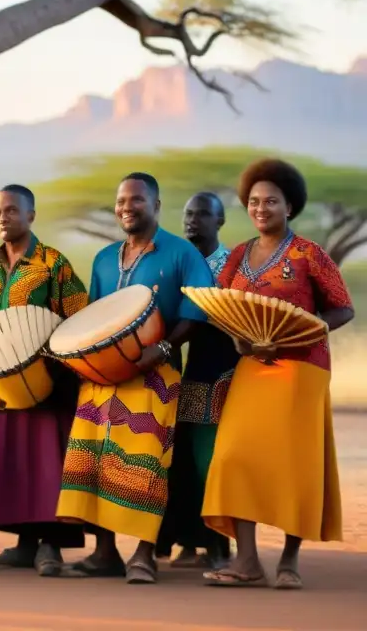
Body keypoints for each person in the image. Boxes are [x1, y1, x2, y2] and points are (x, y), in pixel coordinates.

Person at [203, 159, 354, 590]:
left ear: (290, 206)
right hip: (252, 366)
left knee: (294, 464)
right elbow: (224, 310)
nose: (261, 207)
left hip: (301, 368)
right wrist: (239, 339)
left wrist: (304, 331)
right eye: (253, 201)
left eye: (271, 200)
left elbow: (343, 307)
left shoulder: (310, 254)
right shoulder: (237, 255)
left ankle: (289, 561)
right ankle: (247, 560)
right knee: (235, 456)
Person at [56, 173, 215, 584]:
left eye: (137, 200)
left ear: (156, 206)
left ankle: (144, 554)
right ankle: (104, 553)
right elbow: (93, 314)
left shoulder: (181, 253)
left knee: (145, 464)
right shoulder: (105, 258)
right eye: (121, 200)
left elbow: (199, 310)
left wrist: (161, 349)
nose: (127, 207)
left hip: (155, 375)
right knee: (93, 463)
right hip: (101, 380)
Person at [0, 185, 88, 575]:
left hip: (45, 384)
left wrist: (55, 366)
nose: (2, 218)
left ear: (30, 216)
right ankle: (24, 543)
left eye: (11, 210)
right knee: (11, 463)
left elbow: (77, 317)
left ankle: (50, 547)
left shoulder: (52, 263)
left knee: (47, 464)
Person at [156, 193, 237, 569]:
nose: (194, 221)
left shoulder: (233, 265)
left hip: (222, 373)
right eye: (189, 214)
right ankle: (189, 541)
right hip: (181, 374)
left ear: (220, 221)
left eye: (203, 214)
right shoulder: (178, 261)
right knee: (182, 460)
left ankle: (220, 546)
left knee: (213, 461)